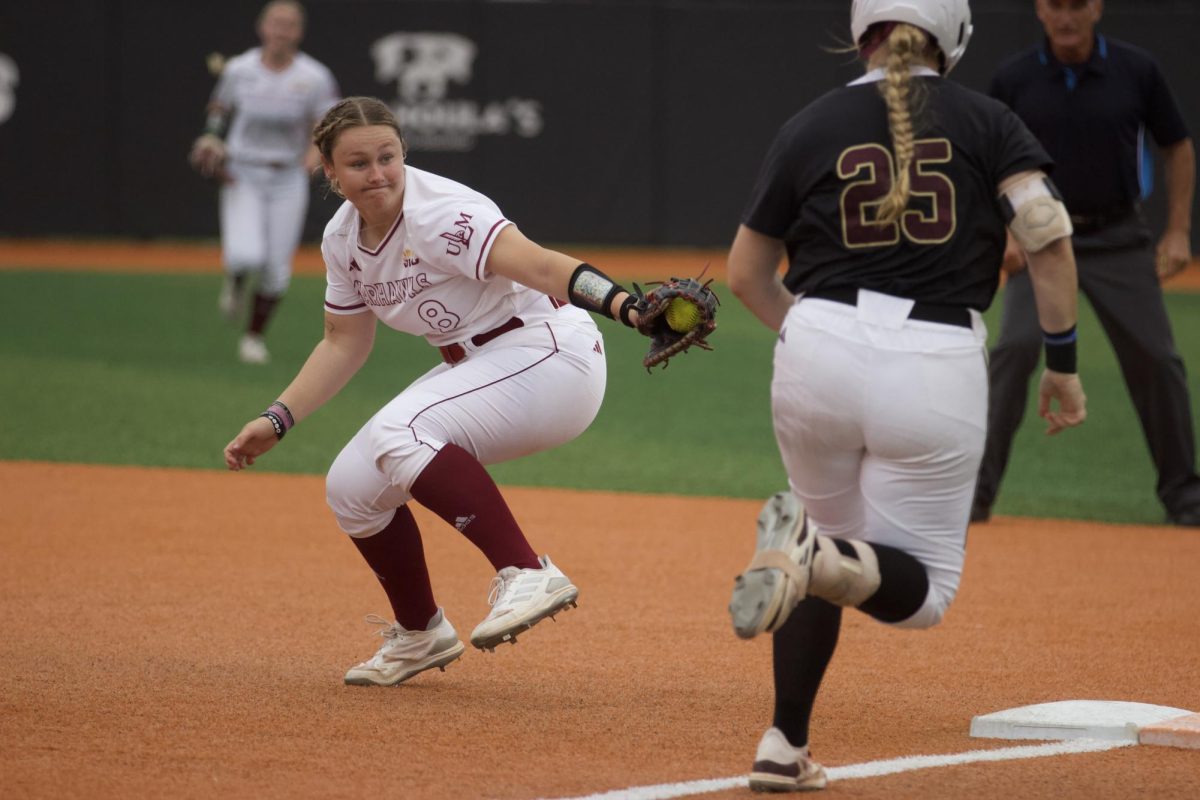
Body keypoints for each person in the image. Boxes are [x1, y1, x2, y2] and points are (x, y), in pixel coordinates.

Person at [723, 0, 1087, 791]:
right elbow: (1048, 240)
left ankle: (785, 743)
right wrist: (1062, 362)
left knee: (821, 545)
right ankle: (806, 594)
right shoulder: (990, 120)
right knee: (922, 592)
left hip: (817, 342)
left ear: (860, 35)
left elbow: (746, 276)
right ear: (953, 38)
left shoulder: (812, 121)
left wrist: (808, 338)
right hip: (933, 358)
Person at [223, 96, 666, 687]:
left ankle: (526, 570)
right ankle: (420, 632)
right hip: (483, 363)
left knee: (398, 431)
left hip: (549, 353)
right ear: (329, 171)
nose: (377, 173)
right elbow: (343, 342)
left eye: (388, 156)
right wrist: (278, 418)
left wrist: (627, 306)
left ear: (404, 153)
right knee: (352, 488)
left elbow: (538, 266)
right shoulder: (342, 239)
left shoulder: (444, 213)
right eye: (358, 163)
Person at [971, 0, 1200, 527]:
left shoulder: (1136, 70)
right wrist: (1002, 230)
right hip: (1038, 237)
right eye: (1056, 5)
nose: (1067, 16)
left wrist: (1180, 228)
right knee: (1014, 349)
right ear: (1040, 10)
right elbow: (986, 162)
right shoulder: (1015, 78)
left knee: (1157, 358)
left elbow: (1178, 146)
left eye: (1078, 4)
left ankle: (1185, 494)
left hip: (1116, 235)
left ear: (1097, 7)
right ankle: (975, 495)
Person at [189, 0, 339, 365]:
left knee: (276, 268)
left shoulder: (314, 76)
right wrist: (211, 137)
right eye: (276, 22)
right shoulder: (240, 69)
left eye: (290, 24)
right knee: (244, 255)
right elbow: (219, 109)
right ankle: (237, 281)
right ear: (262, 27)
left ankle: (253, 337)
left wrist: (314, 154)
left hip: (287, 174)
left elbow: (325, 126)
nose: (282, 30)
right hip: (243, 169)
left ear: (299, 32)